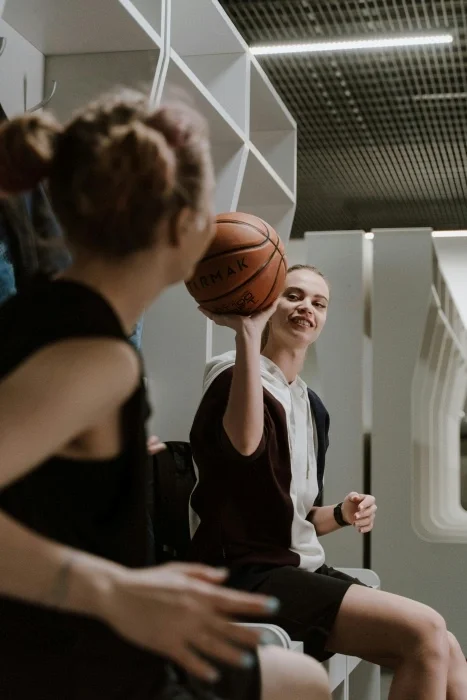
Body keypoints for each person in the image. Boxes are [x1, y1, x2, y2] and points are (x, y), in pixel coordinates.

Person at [0, 95, 330, 700]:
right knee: (301, 684)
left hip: (66, 640)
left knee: (302, 679)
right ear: (186, 228)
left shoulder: (46, 319)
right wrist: (111, 590)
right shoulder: (97, 355)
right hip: (70, 666)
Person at [190, 263, 467, 700]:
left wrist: (339, 513)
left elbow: (294, 517)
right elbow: (245, 446)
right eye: (293, 296)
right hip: (244, 575)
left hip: (297, 569)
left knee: (448, 647)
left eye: (319, 303)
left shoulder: (310, 403)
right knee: (425, 631)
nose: (307, 309)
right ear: (266, 303)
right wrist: (245, 332)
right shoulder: (231, 373)